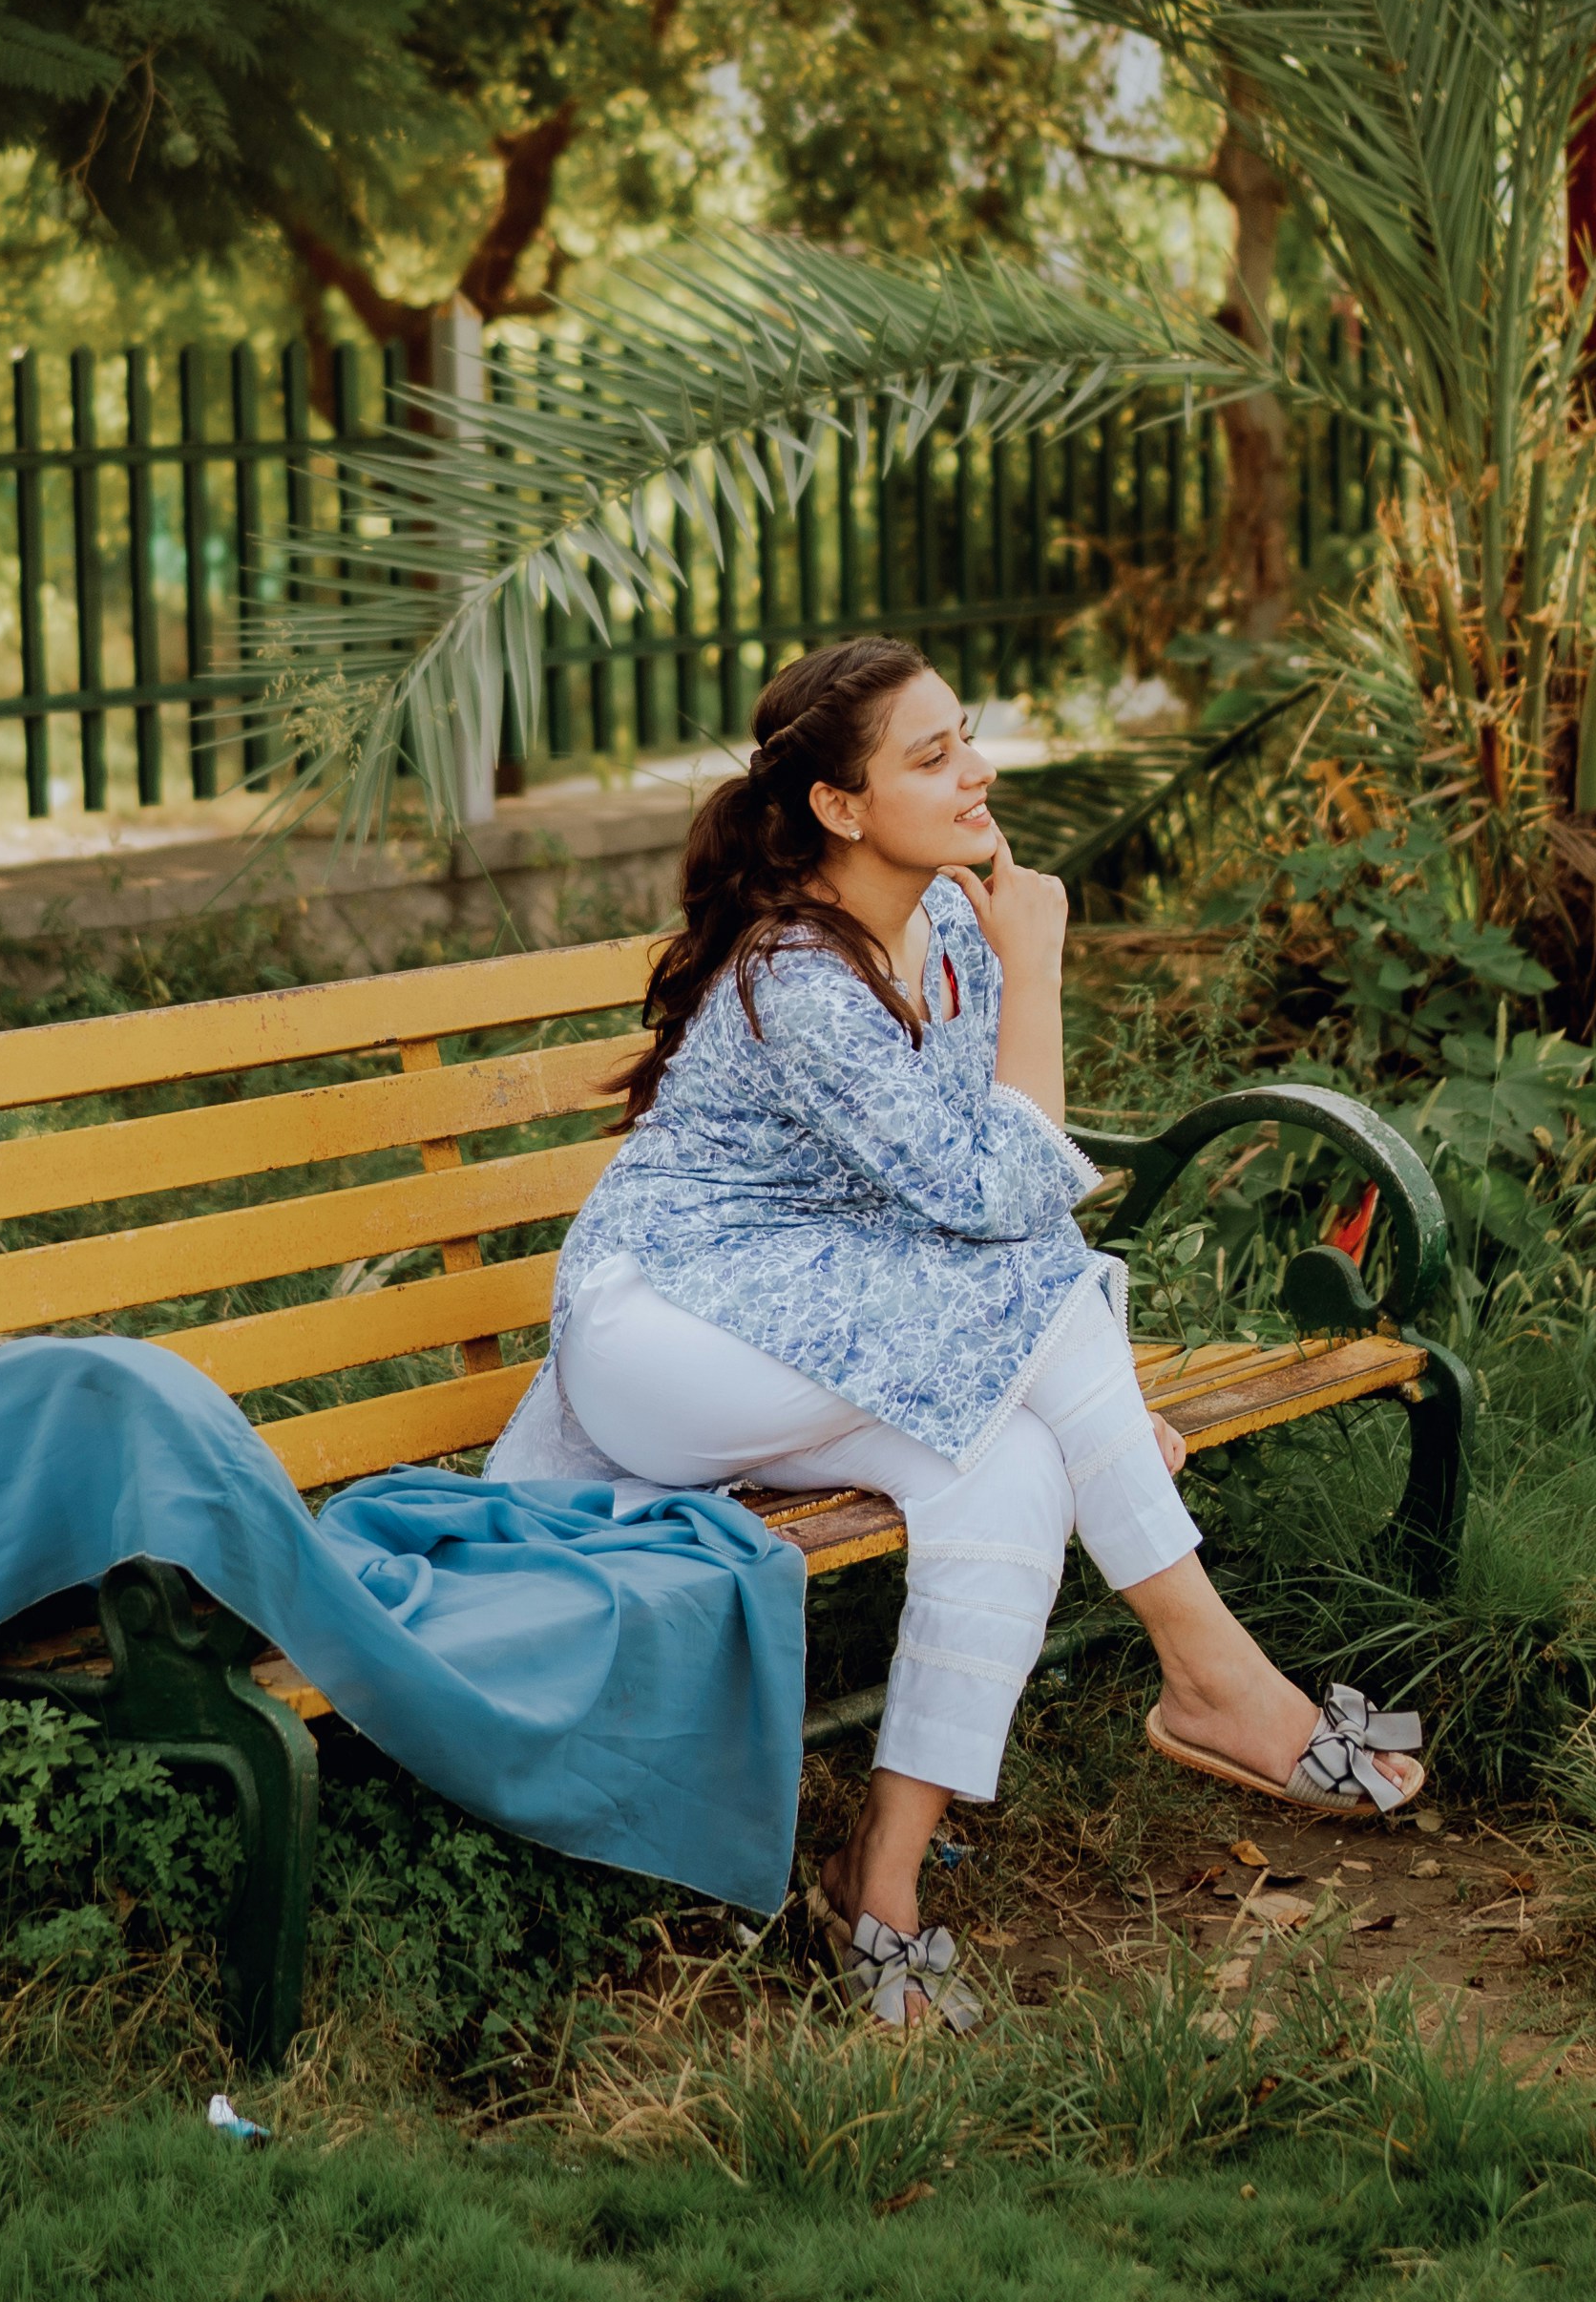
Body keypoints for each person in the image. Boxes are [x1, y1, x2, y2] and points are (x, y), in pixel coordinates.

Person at [489, 629, 1424, 2030]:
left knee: (1020, 1472)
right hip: (666, 1333)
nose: (977, 771)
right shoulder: (799, 979)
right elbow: (995, 1194)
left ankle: (881, 1894)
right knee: (1038, 1316)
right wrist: (1039, 969)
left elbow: (1009, 1217)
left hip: (825, 1323)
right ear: (840, 807)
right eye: (932, 756)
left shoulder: (945, 933)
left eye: (967, 735)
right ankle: (1214, 1672)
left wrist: (1089, 1406)